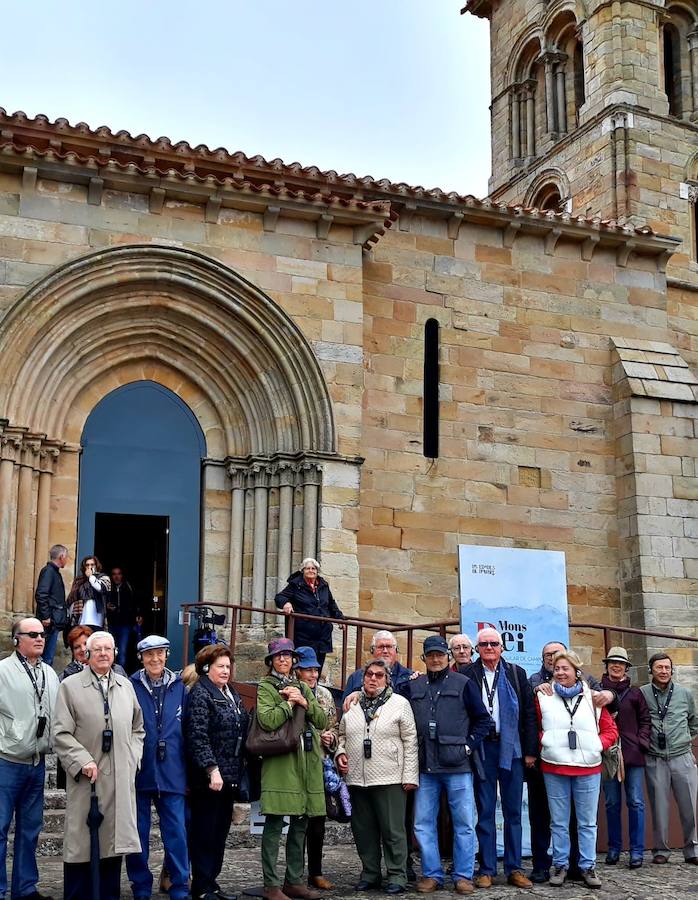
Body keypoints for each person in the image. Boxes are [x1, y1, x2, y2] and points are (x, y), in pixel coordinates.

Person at [53, 630, 144, 900]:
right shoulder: (70, 686)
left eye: (109, 649)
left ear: (115, 653)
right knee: (81, 846)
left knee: (112, 847)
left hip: (118, 779)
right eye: (98, 649)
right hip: (87, 781)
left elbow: (138, 728)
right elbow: (60, 733)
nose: (104, 653)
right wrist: (82, 761)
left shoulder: (125, 686)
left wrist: (132, 757)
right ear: (87, 654)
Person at [403, 635, 492, 895]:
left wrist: (467, 747)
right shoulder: (413, 685)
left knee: (464, 822)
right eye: (430, 654)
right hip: (426, 767)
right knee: (422, 823)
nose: (435, 658)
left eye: (440, 654)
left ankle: (463, 875)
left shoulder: (464, 683)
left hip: (458, 766)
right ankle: (432, 874)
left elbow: (483, 721)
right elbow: (390, 701)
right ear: (424, 658)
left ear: (448, 656)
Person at [526, 639, 617, 883]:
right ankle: (560, 865)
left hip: (588, 768)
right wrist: (546, 741)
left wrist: (597, 745)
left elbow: (610, 729)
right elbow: (533, 725)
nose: (560, 672)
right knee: (559, 822)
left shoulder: (593, 698)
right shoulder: (543, 695)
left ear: (576, 671)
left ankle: (587, 867)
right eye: (556, 669)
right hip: (554, 767)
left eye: (565, 668)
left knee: (587, 823)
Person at [461, 628, 536, 889]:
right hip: (483, 750)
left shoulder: (517, 673)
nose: (489, 647)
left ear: (502, 647)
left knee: (514, 811)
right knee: (485, 810)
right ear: (477, 648)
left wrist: (529, 751)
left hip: (512, 749)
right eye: (484, 644)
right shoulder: (466, 674)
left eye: (494, 643)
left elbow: (528, 714)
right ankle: (487, 868)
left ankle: (515, 868)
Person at [336, 657, 418, 894]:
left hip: (390, 777)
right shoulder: (352, 703)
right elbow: (341, 734)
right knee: (363, 831)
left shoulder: (400, 703)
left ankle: (397, 875)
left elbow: (410, 741)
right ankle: (370, 873)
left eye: (378, 675)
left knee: (393, 831)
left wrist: (410, 776)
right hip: (357, 777)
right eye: (369, 674)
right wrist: (340, 752)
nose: (373, 679)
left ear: (387, 680)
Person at [257, 638, 327, 900]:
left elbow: (321, 719)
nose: (284, 660)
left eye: (288, 656)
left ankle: (294, 881)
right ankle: (271, 885)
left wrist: (304, 701)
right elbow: (267, 719)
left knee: (301, 822)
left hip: (306, 762)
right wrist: (288, 704)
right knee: (275, 823)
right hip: (281, 762)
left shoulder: (301, 686)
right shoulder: (266, 686)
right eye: (278, 656)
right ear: (271, 661)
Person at [0, 618, 60, 900]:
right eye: (32, 634)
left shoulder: (50, 673)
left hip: (36, 762)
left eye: (43, 634)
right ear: (16, 639)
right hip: (7, 762)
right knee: (0, 830)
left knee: (30, 831)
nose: (40, 638)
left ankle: (25, 890)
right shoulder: (2, 670)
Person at [127, 635, 190, 900]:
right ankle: (140, 886)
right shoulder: (129, 686)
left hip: (173, 770)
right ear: (141, 657)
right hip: (140, 770)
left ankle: (179, 886)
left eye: (160, 654)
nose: (155, 659)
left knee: (176, 834)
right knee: (138, 835)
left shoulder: (180, 687)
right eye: (149, 655)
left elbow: (188, 728)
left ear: (167, 655)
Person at [185, 643, 248, 900]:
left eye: (228, 666)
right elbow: (197, 736)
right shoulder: (201, 693)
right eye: (220, 666)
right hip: (209, 778)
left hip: (230, 776)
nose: (225, 671)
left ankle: (211, 882)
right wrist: (212, 769)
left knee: (220, 832)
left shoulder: (229, 691)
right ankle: (201, 886)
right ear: (207, 667)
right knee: (205, 832)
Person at [640, 652, 698, 865]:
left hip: (682, 757)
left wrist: (683, 739)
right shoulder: (643, 693)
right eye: (659, 668)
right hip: (655, 758)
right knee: (659, 806)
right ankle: (660, 850)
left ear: (672, 670)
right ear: (651, 670)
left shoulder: (684, 693)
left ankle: (692, 850)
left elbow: (694, 721)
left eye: (667, 668)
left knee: (689, 805)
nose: (664, 671)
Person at [293, 647, 339, 892]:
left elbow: (333, 725)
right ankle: (295, 875)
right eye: (307, 670)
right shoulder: (289, 691)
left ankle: (316, 872)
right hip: (296, 764)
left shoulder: (324, 694)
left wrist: (331, 737)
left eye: (315, 670)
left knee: (318, 822)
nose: (312, 675)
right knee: (298, 820)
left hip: (319, 763)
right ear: (296, 671)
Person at [600, 646, 650, 868]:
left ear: (626, 668)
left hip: (633, 755)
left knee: (636, 802)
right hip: (608, 754)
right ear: (607, 666)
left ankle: (637, 851)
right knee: (611, 803)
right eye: (612, 663)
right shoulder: (599, 691)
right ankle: (614, 848)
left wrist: (641, 742)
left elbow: (646, 720)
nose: (616, 666)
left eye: (620, 663)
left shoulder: (636, 693)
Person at [274, 558, 344, 673]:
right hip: (303, 636)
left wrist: (340, 618)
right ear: (302, 570)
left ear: (317, 571)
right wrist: (286, 603)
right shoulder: (296, 585)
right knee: (303, 668)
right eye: (308, 568)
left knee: (317, 669)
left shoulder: (323, 585)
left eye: (313, 568)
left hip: (322, 635)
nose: (311, 571)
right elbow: (279, 597)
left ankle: (314, 689)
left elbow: (331, 604)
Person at [342, 631, 413, 699]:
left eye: (389, 647)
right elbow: (345, 706)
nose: (385, 651)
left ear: (396, 650)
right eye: (380, 647)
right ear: (372, 651)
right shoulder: (356, 677)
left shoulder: (409, 677)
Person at [34, 543, 69, 666]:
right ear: (61, 556)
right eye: (66, 557)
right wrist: (45, 616)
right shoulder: (49, 571)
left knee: (47, 659)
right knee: (46, 659)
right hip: (49, 623)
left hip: (53, 622)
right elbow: (41, 594)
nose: (67, 560)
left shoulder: (54, 572)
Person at [66, 556, 111, 631]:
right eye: (87, 565)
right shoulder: (79, 580)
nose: (89, 567)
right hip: (81, 617)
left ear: (97, 566)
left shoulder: (103, 577)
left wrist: (91, 576)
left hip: (97, 618)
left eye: (92, 565)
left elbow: (100, 588)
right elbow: (72, 598)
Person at [107, 567, 139, 665]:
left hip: (125, 625)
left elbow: (135, 603)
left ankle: (120, 677)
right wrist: (106, 606)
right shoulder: (108, 589)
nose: (116, 576)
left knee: (122, 652)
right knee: (110, 651)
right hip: (111, 624)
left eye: (119, 574)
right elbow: (102, 603)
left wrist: (138, 615)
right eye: (114, 574)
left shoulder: (129, 587)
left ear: (122, 575)